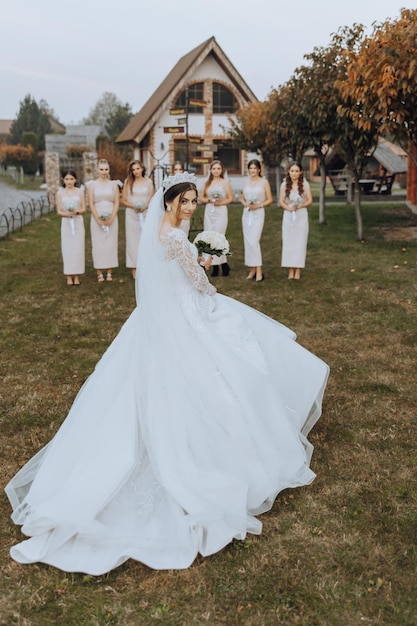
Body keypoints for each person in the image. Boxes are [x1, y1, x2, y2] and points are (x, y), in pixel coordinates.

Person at [5, 172, 329, 575]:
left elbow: (177, 270)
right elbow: (197, 282)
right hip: (184, 312)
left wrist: (200, 261)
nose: (191, 207)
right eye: (186, 201)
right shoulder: (174, 236)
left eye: (194, 201)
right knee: (235, 352)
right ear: (171, 201)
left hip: (159, 314)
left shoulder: (164, 229)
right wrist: (209, 281)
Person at [87, 159, 120, 283]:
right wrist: (98, 219)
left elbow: (117, 202)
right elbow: (90, 203)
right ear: (97, 170)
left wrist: (112, 217)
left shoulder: (114, 185)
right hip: (97, 217)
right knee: (98, 245)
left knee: (111, 244)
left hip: (112, 215)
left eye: (106, 169)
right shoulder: (92, 185)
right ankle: (99, 272)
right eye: (101, 169)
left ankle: (109, 271)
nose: (104, 172)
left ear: (109, 170)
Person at [279, 162, 313, 280]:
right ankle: (290, 269)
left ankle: (298, 269)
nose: (294, 173)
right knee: (289, 242)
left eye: (296, 171)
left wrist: (300, 205)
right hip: (288, 215)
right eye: (292, 171)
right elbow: (281, 201)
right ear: (289, 171)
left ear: (300, 172)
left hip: (301, 215)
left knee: (300, 242)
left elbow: (309, 200)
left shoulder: (305, 184)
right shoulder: (284, 184)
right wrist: (289, 208)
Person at [121, 160, 155, 279]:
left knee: (146, 240)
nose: (136, 171)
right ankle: (134, 267)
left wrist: (145, 206)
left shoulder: (149, 182)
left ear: (142, 169)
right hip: (132, 215)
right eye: (133, 169)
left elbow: (152, 199)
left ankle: (146, 266)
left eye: (137, 169)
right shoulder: (128, 182)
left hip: (146, 214)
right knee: (133, 241)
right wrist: (134, 206)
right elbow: (124, 200)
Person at [200, 159, 233, 277]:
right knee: (210, 239)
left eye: (218, 168)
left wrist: (221, 202)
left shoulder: (225, 183)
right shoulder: (207, 183)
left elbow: (230, 198)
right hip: (209, 211)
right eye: (214, 168)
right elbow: (201, 198)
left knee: (219, 237)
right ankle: (219, 266)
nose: (216, 171)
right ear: (211, 170)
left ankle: (222, 265)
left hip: (221, 211)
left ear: (222, 170)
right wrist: (210, 200)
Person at [241, 159, 273, 282]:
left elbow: (269, 200)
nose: (252, 170)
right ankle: (252, 269)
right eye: (251, 168)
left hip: (258, 213)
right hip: (247, 213)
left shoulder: (264, 182)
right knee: (248, 242)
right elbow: (243, 198)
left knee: (254, 241)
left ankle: (259, 270)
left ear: (259, 169)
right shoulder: (245, 182)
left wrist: (258, 205)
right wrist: (246, 204)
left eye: (255, 168)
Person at [55, 169, 86, 286]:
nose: (69, 181)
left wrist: (76, 212)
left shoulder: (80, 192)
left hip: (78, 222)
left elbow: (83, 209)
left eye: (71, 179)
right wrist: (67, 214)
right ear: (63, 180)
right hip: (66, 223)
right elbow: (59, 211)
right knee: (67, 249)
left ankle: (77, 275)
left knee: (78, 248)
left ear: (75, 180)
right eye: (67, 179)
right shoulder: (60, 193)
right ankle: (68, 275)